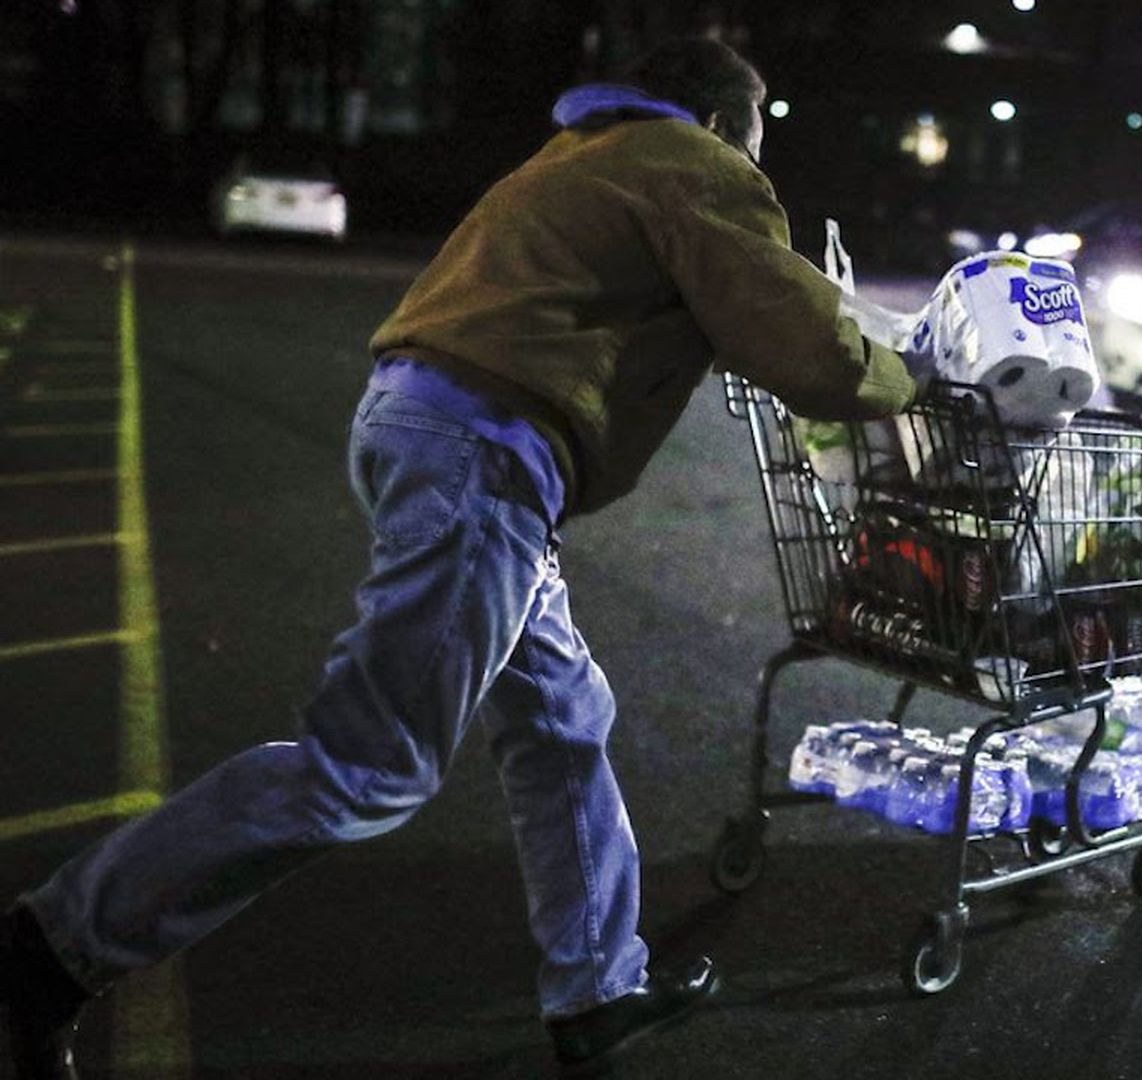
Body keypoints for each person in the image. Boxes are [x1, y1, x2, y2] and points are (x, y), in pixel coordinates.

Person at [1, 36, 925, 1079]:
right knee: (368, 768)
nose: (755, 170)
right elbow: (801, 343)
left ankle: (597, 990)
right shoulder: (692, 164)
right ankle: (48, 954)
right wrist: (915, 379)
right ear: (718, 124)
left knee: (563, 719)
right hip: (483, 454)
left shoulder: (581, 154)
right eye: (752, 149)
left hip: (435, 429)